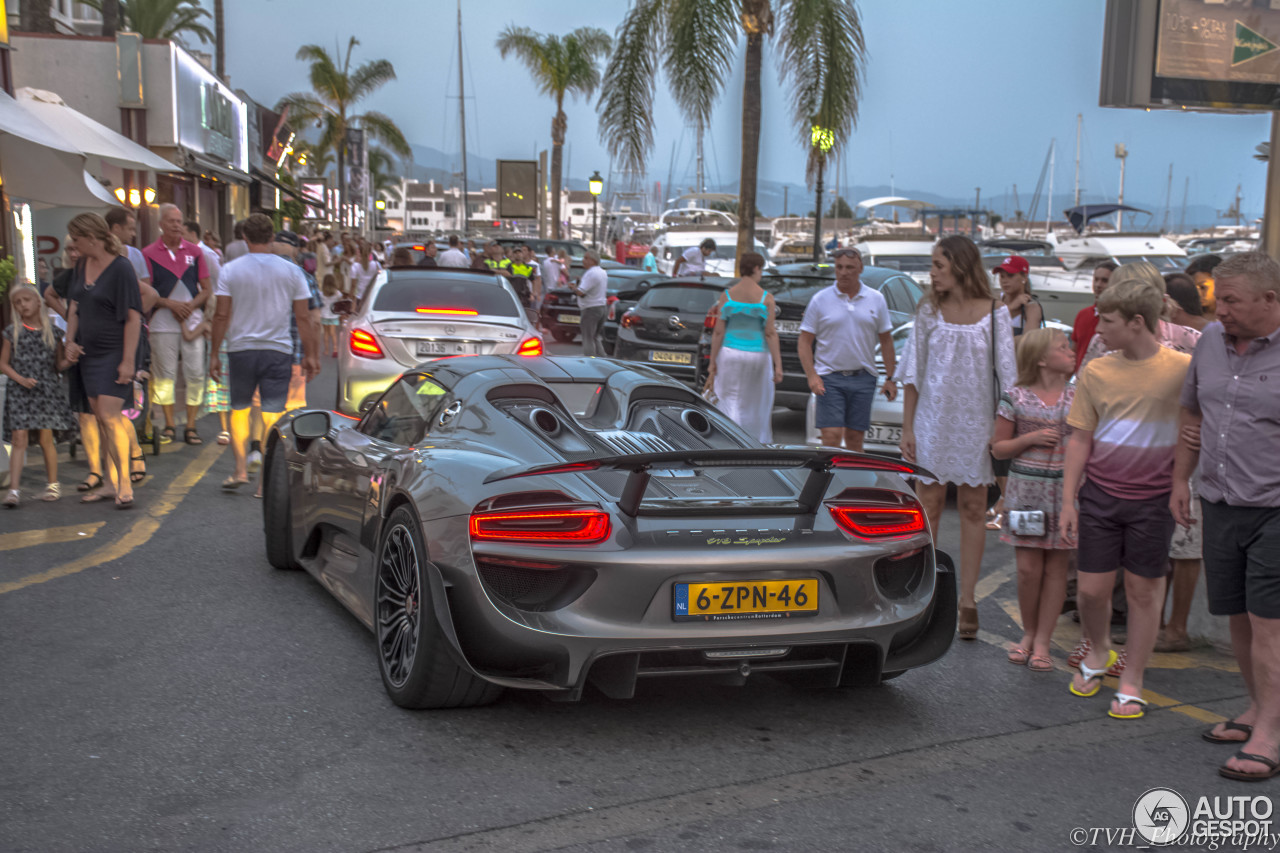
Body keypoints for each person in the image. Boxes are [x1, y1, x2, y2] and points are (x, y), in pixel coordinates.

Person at [1060, 274, 1191, 721]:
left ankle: (1132, 678)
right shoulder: (1096, 370)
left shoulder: (1181, 369)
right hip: (1100, 496)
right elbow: (1079, 438)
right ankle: (1099, 652)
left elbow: (1192, 432)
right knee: (1092, 593)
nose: (1098, 330)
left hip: (1154, 501)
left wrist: (1182, 483)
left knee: (1143, 591)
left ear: (1137, 322)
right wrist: (1067, 501)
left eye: (1107, 321)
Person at [1172, 251, 1280, 781]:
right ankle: (1260, 708)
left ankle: (1271, 736)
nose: (1220, 311)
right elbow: (1192, 408)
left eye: (1231, 301)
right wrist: (1179, 480)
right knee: (1237, 614)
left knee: (1270, 622)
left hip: (1275, 509)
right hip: (1218, 500)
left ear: (1271, 300)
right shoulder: (1211, 341)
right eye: (1217, 298)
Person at [899, 235, 1017, 639]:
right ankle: (927, 593)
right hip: (934, 420)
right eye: (932, 265)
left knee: (971, 508)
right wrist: (908, 428)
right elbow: (913, 373)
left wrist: (1002, 430)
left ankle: (968, 600)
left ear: (961, 266)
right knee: (928, 505)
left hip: (977, 423)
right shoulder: (928, 311)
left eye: (938, 266)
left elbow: (1009, 378)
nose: (932, 274)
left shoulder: (996, 314)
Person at [209, 213, 319, 493]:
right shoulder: (292, 272)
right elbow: (304, 318)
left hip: (241, 349)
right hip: (279, 349)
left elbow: (221, 316)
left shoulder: (231, 269)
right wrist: (310, 354)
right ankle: (263, 484)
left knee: (239, 410)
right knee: (272, 414)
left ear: (244, 238)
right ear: (272, 237)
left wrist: (213, 354)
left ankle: (240, 470)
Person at [990, 327, 1076, 671]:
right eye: (1062, 346)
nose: (1071, 351)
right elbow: (998, 447)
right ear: (1041, 359)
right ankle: (1028, 633)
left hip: (1064, 493)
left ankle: (1043, 640)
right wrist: (1033, 438)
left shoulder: (1079, 395)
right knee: (1027, 569)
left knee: (1057, 569)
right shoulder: (1016, 397)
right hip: (1026, 494)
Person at [63, 212, 144, 509]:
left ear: (92, 238)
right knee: (101, 418)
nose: (73, 244)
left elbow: (133, 317)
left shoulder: (121, 268)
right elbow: (75, 306)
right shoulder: (82, 264)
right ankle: (111, 482)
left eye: (76, 238)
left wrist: (128, 361)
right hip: (88, 354)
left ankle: (124, 484)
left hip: (114, 352)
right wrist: (69, 341)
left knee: (111, 417)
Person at [1155, 271, 1209, 653]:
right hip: (1163, 451)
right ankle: (1158, 622)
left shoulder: (1199, 341)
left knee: (1186, 544)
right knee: (1166, 544)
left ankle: (1176, 627)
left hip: (1191, 453)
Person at [797, 247, 897, 452]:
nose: (844, 272)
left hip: (863, 377)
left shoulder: (875, 299)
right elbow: (804, 341)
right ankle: (831, 481)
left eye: (849, 267)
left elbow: (886, 341)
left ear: (860, 268)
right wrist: (812, 376)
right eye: (839, 267)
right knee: (831, 437)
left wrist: (891, 377)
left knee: (854, 439)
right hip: (829, 378)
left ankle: (854, 480)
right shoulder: (820, 299)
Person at [2, 283, 76, 506]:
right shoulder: (11, 332)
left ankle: (52, 485)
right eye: (17, 302)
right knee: (19, 438)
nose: (22, 305)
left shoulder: (53, 332)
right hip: (19, 391)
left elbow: (58, 365)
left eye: (26, 300)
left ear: (37, 302)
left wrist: (69, 361)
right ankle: (14, 490)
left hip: (46, 391)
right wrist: (21, 379)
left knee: (46, 438)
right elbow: (3, 364)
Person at [143, 203, 211, 445]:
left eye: (180, 221)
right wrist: (170, 304)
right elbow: (147, 291)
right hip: (162, 322)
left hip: (192, 319)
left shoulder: (195, 252)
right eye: (172, 221)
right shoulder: (148, 253)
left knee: (195, 373)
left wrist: (189, 306)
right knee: (164, 376)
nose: (177, 226)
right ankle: (170, 424)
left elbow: (206, 289)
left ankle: (191, 425)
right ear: (161, 224)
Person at [704, 252, 783, 442]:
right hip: (758, 355)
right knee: (756, 402)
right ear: (756, 268)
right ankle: (755, 442)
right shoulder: (766, 298)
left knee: (729, 397)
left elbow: (718, 332)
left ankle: (729, 440)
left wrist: (712, 362)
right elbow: (770, 333)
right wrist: (778, 364)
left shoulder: (727, 296)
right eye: (761, 269)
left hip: (730, 353)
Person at [1071, 260, 1117, 373]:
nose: (1098, 285)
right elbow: (1075, 351)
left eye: (1104, 281)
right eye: (1096, 280)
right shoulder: (1083, 314)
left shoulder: (1120, 318)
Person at [994, 256, 1043, 336]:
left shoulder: (1031, 307)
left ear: (1024, 277)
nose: (1004, 281)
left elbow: (1028, 342)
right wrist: (1011, 307)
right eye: (1002, 276)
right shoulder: (995, 300)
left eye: (1010, 275)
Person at [574, 252, 609, 357]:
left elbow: (581, 292)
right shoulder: (603, 272)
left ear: (592, 260)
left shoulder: (590, 273)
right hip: (602, 307)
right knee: (596, 337)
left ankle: (590, 361)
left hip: (590, 308)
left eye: (586, 258)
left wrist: (573, 288)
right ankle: (603, 359)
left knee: (588, 338)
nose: (583, 260)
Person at [509, 244, 542, 308]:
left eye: (519, 252)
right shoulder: (509, 267)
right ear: (513, 255)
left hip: (524, 296)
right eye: (515, 253)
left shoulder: (528, 268)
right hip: (512, 295)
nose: (518, 254)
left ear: (522, 254)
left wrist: (533, 294)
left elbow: (533, 281)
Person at [320, 273, 343, 357]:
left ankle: (326, 350)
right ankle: (335, 349)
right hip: (333, 315)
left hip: (324, 315)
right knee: (333, 333)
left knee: (326, 333)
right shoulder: (337, 293)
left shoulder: (321, 294)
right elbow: (341, 303)